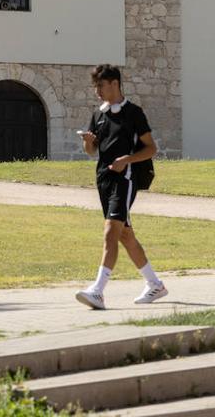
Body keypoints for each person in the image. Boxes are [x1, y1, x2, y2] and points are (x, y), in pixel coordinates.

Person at [75, 63, 167, 309]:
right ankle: (155, 284)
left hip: (125, 180)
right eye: (96, 87)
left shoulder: (134, 113)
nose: (97, 92)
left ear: (115, 84)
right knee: (125, 234)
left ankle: (98, 290)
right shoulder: (99, 114)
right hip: (103, 180)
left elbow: (151, 149)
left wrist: (127, 159)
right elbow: (91, 152)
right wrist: (88, 142)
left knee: (110, 232)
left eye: (101, 86)